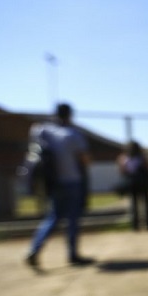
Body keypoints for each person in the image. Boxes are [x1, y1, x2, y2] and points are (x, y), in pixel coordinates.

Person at [25, 103, 94, 268]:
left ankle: (35, 249)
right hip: (72, 181)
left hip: (53, 182)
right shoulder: (73, 134)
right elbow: (84, 160)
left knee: (53, 217)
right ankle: (73, 254)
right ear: (70, 115)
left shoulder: (43, 130)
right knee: (72, 219)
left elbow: (34, 145)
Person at [117, 141, 148, 231]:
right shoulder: (142, 157)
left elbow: (122, 171)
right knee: (147, 204)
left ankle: (135, 225)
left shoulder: (124, 158)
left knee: (134, 205)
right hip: (143, 183)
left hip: (133, 183)